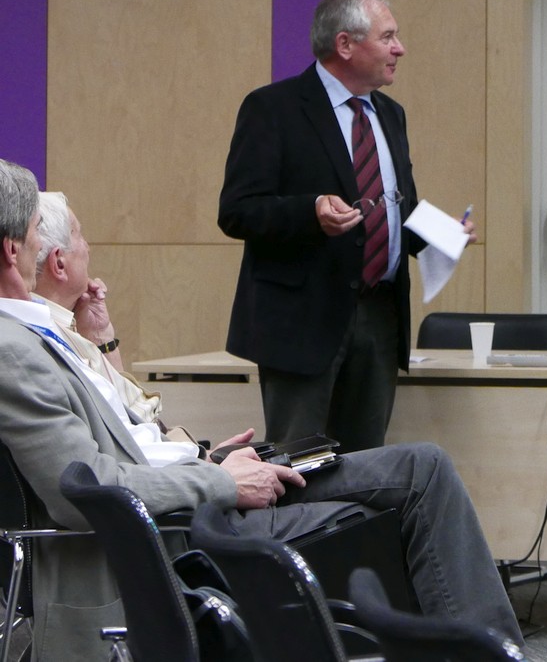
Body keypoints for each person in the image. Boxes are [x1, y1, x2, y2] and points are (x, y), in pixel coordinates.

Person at [0, 159, 520, 662]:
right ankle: (491, 652)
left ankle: (486, 650)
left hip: (197, 486)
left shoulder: (42, 327)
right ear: (12, 248)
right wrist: (220, 480)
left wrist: (207, 458)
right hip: (184, 530)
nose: (43, 245)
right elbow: (85, 490)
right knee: (411, 491)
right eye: (34, 232)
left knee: (421, 467)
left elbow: (128, 435)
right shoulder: (14, 347)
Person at [219, 0, 473, 452]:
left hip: (379, 318)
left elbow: (396, 206)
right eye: (388, 37)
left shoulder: (390, 114)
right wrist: (310, 210)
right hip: (303, 321)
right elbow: (237, 210)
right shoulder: (274, 108)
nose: (400, 49)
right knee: (299, 463)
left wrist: (441, 234)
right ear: (345, 44)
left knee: (366, 466)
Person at [33, 191, 165, 427]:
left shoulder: (68, 325)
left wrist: (101, 338)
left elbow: (133, 411)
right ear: (59, 263)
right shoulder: (45, 336)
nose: (88, 247)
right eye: (79, 235)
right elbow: (132, 423)